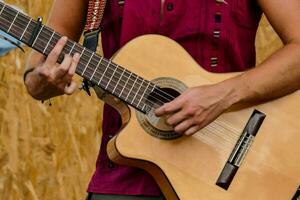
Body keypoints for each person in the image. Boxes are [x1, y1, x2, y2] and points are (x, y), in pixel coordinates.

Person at [24, 0, 300, 199]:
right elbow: (40, 66)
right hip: (122, 183)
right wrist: (42, 79)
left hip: (229, 182)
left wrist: (222, 95)